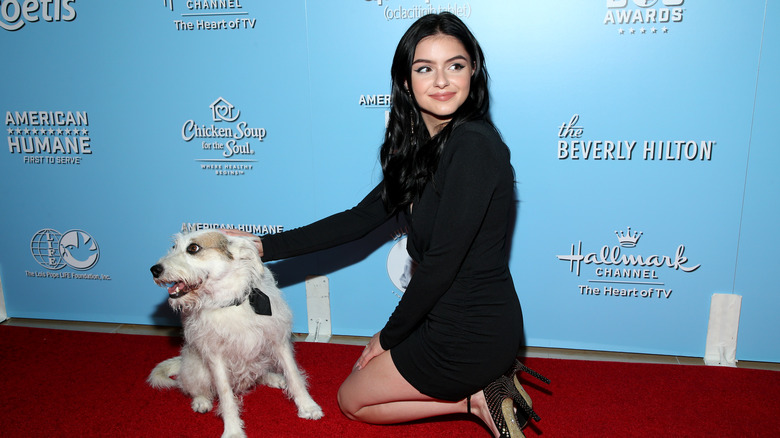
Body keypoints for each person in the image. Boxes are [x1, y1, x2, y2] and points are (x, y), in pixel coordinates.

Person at [225, 12, 547, 438]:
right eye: (424, 68)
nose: (442, 81)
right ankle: (480, 392)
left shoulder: (474, 146)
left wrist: (388, 336)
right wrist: (261, 246)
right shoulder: (424, 149)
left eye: (456, 65)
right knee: (357, 394)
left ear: (474, 72)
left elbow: (441, 264)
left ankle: (475, 398)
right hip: (446, 315)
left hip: (474, 328)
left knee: (351, 401)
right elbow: (358, 221)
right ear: (406, 80)